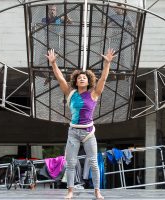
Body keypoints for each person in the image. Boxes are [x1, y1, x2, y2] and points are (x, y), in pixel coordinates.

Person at [46, 48, 115, 199]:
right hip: (73, 132)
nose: (82, 79)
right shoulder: (70, 93)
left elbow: (103, 78)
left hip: (89, 132)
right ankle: (70, 191)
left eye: (85, 77)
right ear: (76, 81)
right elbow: (59, 78)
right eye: (79, 78)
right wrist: (53, 64)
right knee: (70, 164)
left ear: (88, 80)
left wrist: (107, 64)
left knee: (94, 163)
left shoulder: (94, 93)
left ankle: (97, 191)